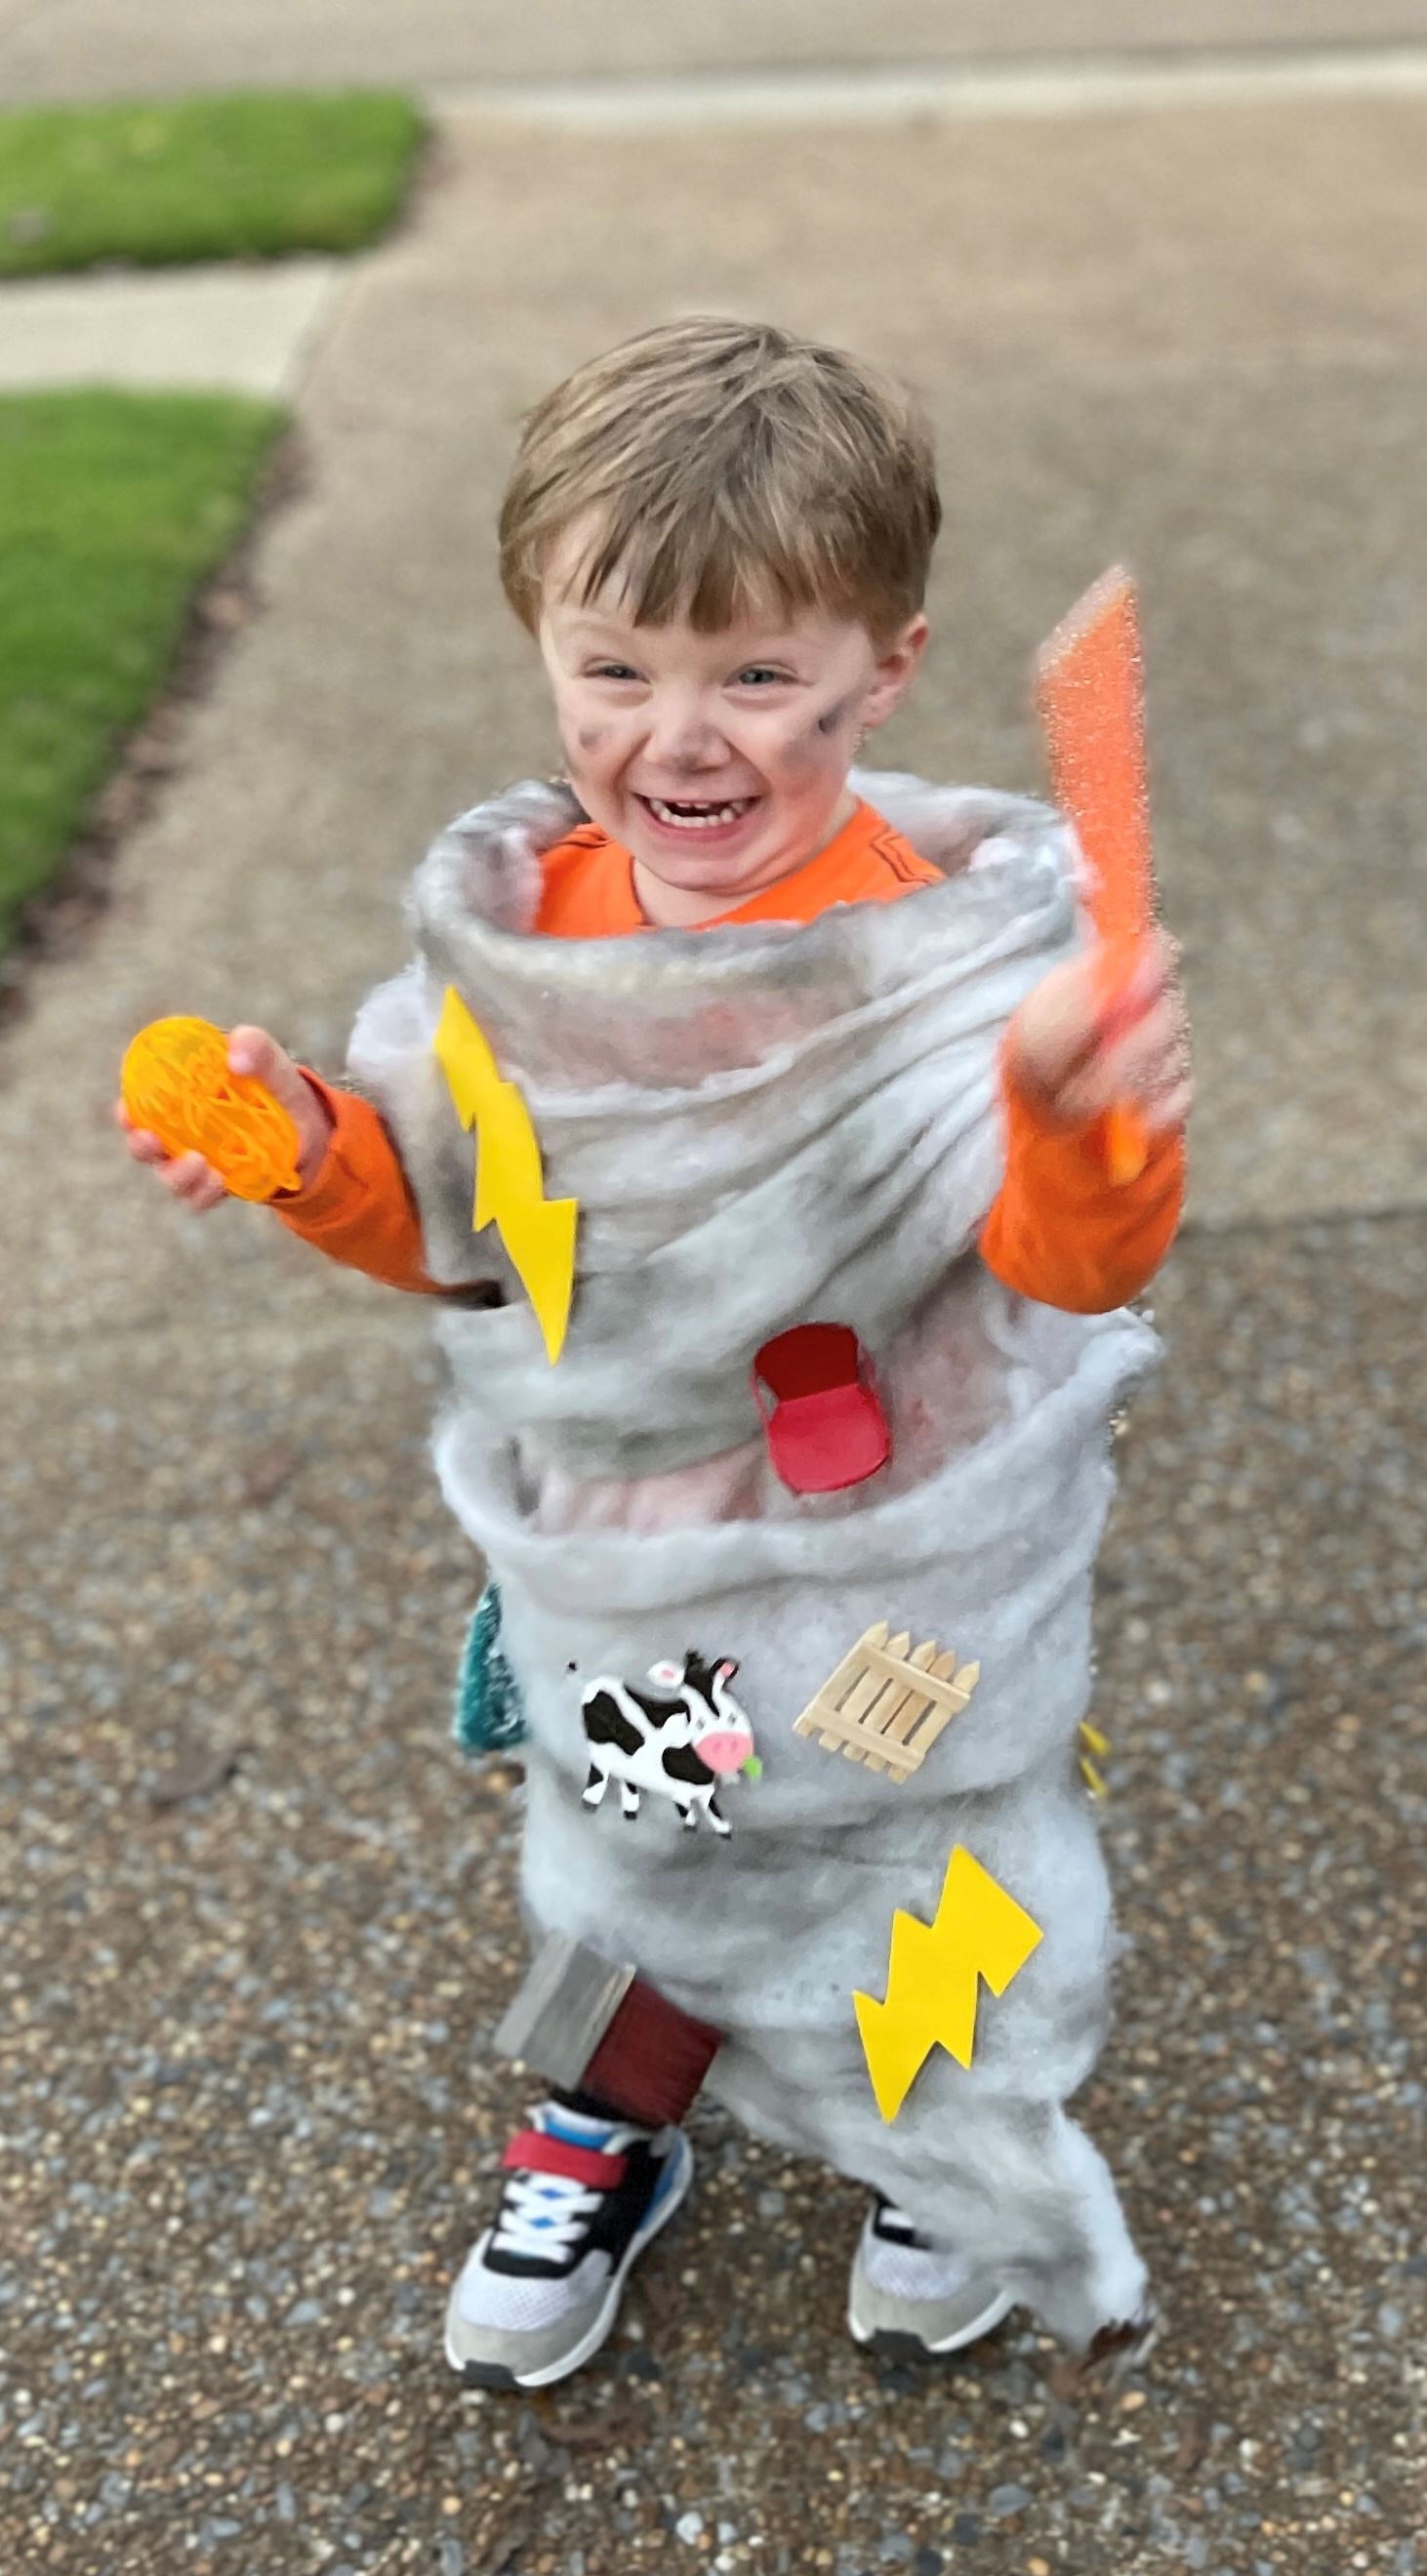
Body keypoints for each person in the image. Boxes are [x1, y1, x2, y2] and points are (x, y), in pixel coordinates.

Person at [119, 316, 1191, 2392]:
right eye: (615, 666)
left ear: (890, 667)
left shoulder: (958, 963)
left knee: (917, 1835)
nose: (679, 734)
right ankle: (605, 2125)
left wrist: (1079, 1109)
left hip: (904, 1542)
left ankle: (933, 2132)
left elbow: (1067, 1257)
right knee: (661, 1838)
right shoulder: (528, 952)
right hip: (651, 1549)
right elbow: (456, 1233)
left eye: (757, 675)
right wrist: (311, 1150)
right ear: (541, 644)